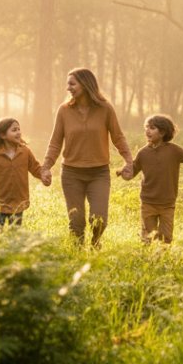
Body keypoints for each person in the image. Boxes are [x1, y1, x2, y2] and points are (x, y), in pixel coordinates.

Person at [41, 68, 133, 247]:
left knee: (99, 219)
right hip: (71, 173)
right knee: (76, 222)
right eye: (68, 83)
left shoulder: (105, 108)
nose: (68, 88)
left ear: (85, 84)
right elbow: (55, 142)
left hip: (99, 173)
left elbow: (118, 137)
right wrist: (46, 167)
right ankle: (77, 257)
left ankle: (95, 245)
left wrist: (128, 160)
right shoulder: (64, 110)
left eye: (72, 83)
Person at [121, 114, 183, 244]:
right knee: (148, 237)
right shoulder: (143, 153)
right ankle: (149, 261)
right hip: (148, 202)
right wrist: (125, 172)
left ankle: (162, 259)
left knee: (166, 237)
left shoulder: (174, 150)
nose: (147, 131)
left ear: (162, 132)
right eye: (147, 127)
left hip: (167, 203)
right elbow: (133, 170)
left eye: (152, 128)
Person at [0, 117, 49, 230]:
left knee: (15, 235)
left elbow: (35, 168)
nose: (18, 132)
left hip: (18, 203)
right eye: (14, 130)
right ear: (2, 135)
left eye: (19, 129)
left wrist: (43, 175)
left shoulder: (25, 152)